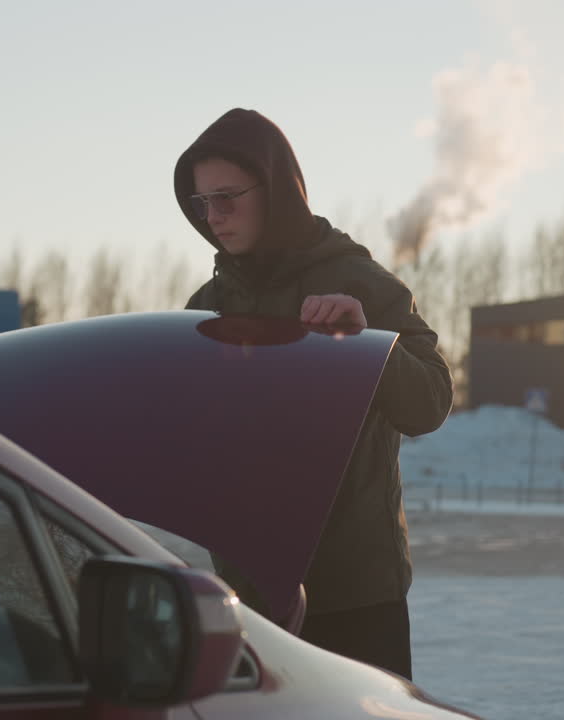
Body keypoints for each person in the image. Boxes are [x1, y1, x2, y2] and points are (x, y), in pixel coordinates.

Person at [175, 108, 453, 680]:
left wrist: (369, 343)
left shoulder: (361, 284)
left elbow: (429, 404)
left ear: (278, 192)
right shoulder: (204, 310)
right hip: (244, 598)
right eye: (203, 203)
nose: (214, 216)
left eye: (227, 196)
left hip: (354, 596)